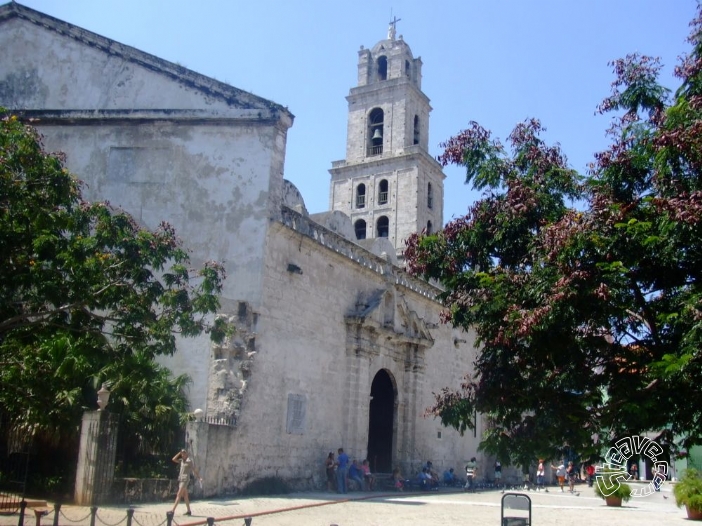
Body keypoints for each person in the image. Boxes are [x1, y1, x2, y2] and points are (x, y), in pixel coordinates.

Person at [171, 449, 201, 516]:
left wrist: (199, 477)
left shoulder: (189, 461)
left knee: (179, 494)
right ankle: (189, 511)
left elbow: (194, 469)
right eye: (182, 453)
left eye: (184, 453)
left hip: (185, 480)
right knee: (185, 496)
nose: (183, 455)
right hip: (181, 479)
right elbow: (173, 459)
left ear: (187, 454)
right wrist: (179, 453)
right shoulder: (181, 461)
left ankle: (172, 511)